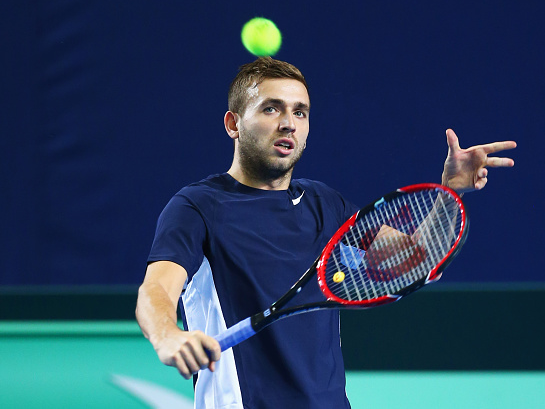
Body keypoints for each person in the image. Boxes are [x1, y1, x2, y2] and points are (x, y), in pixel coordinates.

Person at [135, 56, 516, 409]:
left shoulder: (323, 202)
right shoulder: (198, 206)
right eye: (272, 108)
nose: (289, 123)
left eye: (300, 112)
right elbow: (156, 290)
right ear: (234, 124)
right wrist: (168, 335)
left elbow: (413, 262)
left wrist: (449, 194)